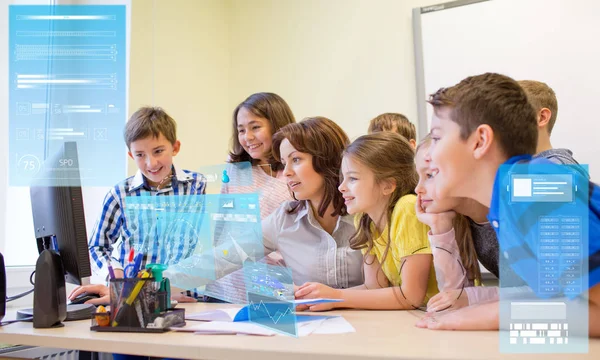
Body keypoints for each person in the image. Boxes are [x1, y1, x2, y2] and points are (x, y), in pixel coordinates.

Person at [416, 72, 600, 336]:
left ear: (480, 141)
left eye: (436, 138)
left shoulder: (533, 190)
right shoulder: (509, 204)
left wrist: (496, 314)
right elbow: (567, 300)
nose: (430, 155)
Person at [70, 106, 206, 305]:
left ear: (175, 148)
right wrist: (115, 274)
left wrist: (172, 287)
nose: (151, 163)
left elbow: (200, 243)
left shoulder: (196, 186)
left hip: (186, 299)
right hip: (135, 300)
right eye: (140, 154)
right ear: (131, 156)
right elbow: (97, 245)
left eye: (158, 151)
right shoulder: (119, 194)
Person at [295, 132, 437, 310]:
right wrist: (316, 297)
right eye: (343, 178)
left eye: (352, 178)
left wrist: (336, 297)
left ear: (387, 185)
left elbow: (411, 296)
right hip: (416, 318)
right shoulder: (364, 219)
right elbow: (373, 287)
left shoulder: (406, 208)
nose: (341, 187)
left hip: (441, 315)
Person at [413, 135, 484, 312]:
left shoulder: (514, 210)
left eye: (429, 175)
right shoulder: (461, 220)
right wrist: (439, 226)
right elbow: (453, 298)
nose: (418, 189)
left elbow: (547, 295)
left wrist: (471, 297)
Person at [226, 92, 296, 219]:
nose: (248, 137)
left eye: (255, 127)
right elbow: (223, 218)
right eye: (241, 130)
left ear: (277, 125)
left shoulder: (298, 168)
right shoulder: (235, 167)